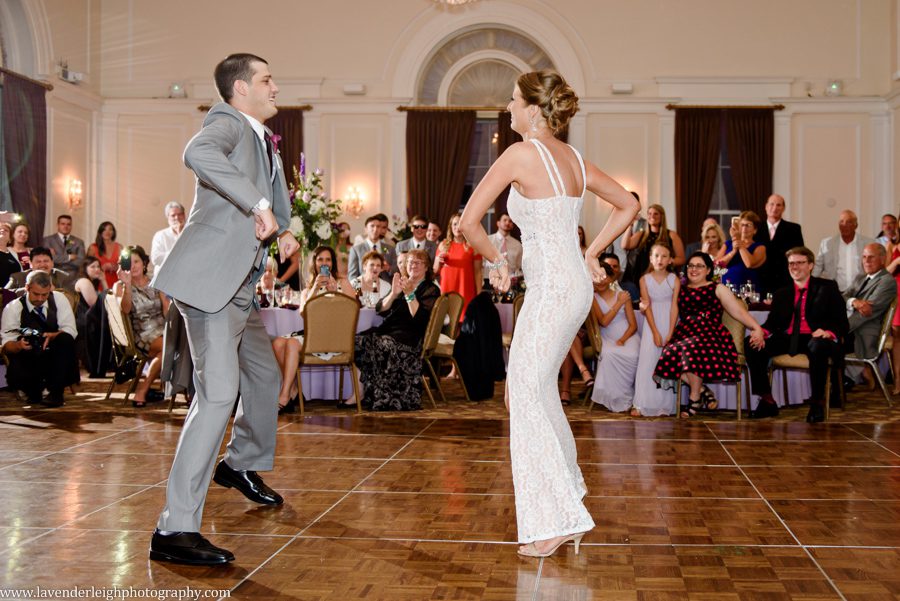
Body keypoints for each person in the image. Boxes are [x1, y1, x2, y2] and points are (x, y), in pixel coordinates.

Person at [458, 70, 639, 557]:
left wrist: (496, 262)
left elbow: (467, 222)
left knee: (524, 394)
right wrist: (592, 252)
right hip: (570, 287)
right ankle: (568, 498)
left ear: (534, 109)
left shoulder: (520, 154)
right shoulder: (574, 158)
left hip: (552, 290)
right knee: (533, 393)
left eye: (514, 101)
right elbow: (629, 204)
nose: (509, 108)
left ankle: (557, 518)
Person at [148, 53, 300, 566]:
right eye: (267, 78)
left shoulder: (262, 138)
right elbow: (198, 154)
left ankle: (238, 463)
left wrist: (283, 230)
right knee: (217, 397)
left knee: (261, 377)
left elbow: (275, 214)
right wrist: (258, 206)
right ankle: (174, 528)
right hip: (209, 286)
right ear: (240, 89)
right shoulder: (225, 122)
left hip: (237, 288)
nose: (275, 86)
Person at [654, 251, 765, 417]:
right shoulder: (681, 289)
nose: (694, 269)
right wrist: (669, 334)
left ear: (708, 270)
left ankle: (694, 399)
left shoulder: (717, 288)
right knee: (670, 353)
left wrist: (757, 328)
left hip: (711, 334)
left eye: (700, 266)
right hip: (685, 332)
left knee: (692, 349)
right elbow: (673, 311)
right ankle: (703, 390)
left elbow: (738, 312)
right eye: (691, 265)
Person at [745, 247, 848, 422]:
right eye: (791, 263)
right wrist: (760, 333)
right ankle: (767, 400)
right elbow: (773, 323)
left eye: (799, 263)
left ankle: (817, 403)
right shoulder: (782, 293)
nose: (794, 267)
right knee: (751, 344)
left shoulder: (828, 288)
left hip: (818, 338)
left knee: (817, 346)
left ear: (810, 265)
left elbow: (842, 323)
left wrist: (828, 332)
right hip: (789, 338)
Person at [270, 245, 355, 413]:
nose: (324, 263)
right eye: (320, 259)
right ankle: (293, 389)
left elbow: (353, 308)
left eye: (328, 259)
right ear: (315, 263)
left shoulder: (343, 282)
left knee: (292, 343)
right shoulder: (309, 288)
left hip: (336, 336)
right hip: (313, 333)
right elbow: (303, 313)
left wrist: (335, 293)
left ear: (332, 263)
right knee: (278, 343)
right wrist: (315, 289)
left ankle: (284, 395)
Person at [354, 248, 440, 411]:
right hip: (389, 330)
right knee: (357, 341)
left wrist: (409, 295)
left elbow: (420, 319)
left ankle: (384, 397)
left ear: (426, 267)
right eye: (410, 262)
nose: (413, 265)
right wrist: (393, 294)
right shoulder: (402, 284)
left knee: (381, 344)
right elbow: (381, 309)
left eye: (417, 262)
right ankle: (366, 392)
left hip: (410, 335)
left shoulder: (431, 289)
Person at [0, 270, 78, 407]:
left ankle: (56, 393)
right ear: (27, 288)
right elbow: (6, 345)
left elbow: (71, 331)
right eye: (36, 294)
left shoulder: (59, 299)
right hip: (27, 358)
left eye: (45, 295)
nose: (41, 299)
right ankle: (33, 389)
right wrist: (19, 345)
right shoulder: (13, 308)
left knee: (65, 339)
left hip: (54, 355)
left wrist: (53, 335)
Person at [113, 246, 168, 407]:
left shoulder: (156, 280)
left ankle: (191, 394)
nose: (133, 265)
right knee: (167, 348)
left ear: (144, 263)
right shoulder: (120, 285)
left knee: (185, 342)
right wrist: (127, 285)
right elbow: (125, 309)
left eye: (136, 261)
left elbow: (166, 309)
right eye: (129, 262)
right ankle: (142, 390)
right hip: (141, 333)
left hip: (163, 328)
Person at [632, 244, 679, 417]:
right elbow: (647, 306)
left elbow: (675, 306)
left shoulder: (674, 279)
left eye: (664, 256)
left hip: (669, 322)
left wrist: (671, 331)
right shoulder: (644, 280)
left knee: (666, 362)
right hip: (652, 324)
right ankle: (642, 403)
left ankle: (665, 405)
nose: (660, 259)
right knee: (648, 361)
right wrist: (655, 332)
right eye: (656, 256)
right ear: (651, 259)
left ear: (670, 260)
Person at [842, 243, 896, 385]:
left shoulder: (887, 281)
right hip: (851, 328)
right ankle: (837, 386)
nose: (866, 261)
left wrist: (839, 328)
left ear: (883, 259)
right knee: (819, 342)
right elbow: (841, 297)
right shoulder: (861, 277)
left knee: (825, 345)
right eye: (864, 257)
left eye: (871, 257)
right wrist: (853, 301)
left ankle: (837, 386)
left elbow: (866, 313)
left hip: (864, 333)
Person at [589, 262, 639, 412]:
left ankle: (627, 395)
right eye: (596, 277)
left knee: (633, 354)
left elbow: (633, 325)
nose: (600, 281)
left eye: (604, 277)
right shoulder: (593, 298)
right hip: (607, 336)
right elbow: (603, 321)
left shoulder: (622, 294)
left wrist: (623, 339)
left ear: (611, 278)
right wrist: (619, 303)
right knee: (609, 354)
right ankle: (614, 397)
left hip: (628, 335)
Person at [621, 203, 686, 285]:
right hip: (641, 276)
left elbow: (681, 259)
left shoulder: (671, 235)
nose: (652, 216)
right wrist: (630, 224)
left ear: (662, 216)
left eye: (656, 213)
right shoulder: (641, 234)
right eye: (649, 213)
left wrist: (666, 261)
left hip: (662, 276)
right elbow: (625, 245)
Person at [813, 209, 875, 293]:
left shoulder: (869, 243)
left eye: (848, 222)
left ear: (855, 225)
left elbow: (875, 268)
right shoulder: (827, 243)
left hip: (862, 291)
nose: (844, 225)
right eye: (841, 222)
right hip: (834, 291)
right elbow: (817, 268)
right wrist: (811, 287)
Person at [434, 212, 482, 320]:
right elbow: (435, 271)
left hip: (466, 288)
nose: (457, 227)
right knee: (447, 321)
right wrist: (438, 261)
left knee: (465, 320)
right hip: (447, 288)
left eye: (460, 224)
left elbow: (478, 272)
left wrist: (479, 295)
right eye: (454, 224)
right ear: (450, 227)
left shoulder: (473, 246)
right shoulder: (443, 245)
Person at [754, 194, 804, 294]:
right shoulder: (755, 229)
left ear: (783, 208)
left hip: (784, 281)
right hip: (759, 280)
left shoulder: (794, 229)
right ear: (766, 206)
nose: (774, 208)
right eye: (771, 204)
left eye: (778, 205)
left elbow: (799, 254)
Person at [718, 211, 766, 291]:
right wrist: (732, 252)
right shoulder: (728, 244)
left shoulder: (760, 247)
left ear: (755, 230)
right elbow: (717, 265)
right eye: (742, 225)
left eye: (748, 225)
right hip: (726, 288)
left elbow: (749, 263)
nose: (744, 228)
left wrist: (738, 242)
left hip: (748, 290)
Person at [347, 214, 396, 282]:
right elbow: (352, 275)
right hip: (364, 287)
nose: (375, 229)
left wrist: (388, 268)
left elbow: (397, 271)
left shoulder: (390, 248)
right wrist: (358, 289)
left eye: (378, 226)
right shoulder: (356, 250)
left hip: (386, 288)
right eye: (372, 226)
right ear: (366, 229)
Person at [42, 214, 85, 290]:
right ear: (57, 225)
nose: (66, 226)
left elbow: (80, 261)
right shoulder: (48, 240)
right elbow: (47, 259)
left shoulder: (79, 242)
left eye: (68, 224)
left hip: (73, 279)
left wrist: (57, 258)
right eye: (63, 224)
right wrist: (69, 257)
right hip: (53, 279)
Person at [482, 213, 523, 283]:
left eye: (510, 221)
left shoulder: (518, 245)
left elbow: (519, 267)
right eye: (505, 220)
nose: (507, 223)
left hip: (511, 282)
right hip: (490, 280)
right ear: (498, 223)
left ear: (512, 225)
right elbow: (482, 262)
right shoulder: (488, 241)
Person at [150, 201, 186, 272]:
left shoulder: (190, 233)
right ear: (168, 217)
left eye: (180, 214)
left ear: (184, 216)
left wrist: (180, 234)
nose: (177, 218)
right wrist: (176, 254)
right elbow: (156, 258)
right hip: (165, 277)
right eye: (173, 215)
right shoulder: (160, 235)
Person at [87, 221, 123, 289]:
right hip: (98, 283)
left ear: (113, 232)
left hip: (116, 283)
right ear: (100, 232)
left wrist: (115, 266)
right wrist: (101, 267)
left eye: (110, 229)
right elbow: (87, 267)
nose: (107, 232)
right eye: (104, 229)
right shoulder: (93, 247)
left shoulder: (119, 247)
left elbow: (125, 267)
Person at [887, 239, 900, 394]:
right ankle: (898, 381)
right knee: (897, 339)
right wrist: (896, 261)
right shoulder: (892, 245)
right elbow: (884, 273)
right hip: (898, 296)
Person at [0, 223, 22, 291]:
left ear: (10, 238)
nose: (2, 230)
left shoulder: (13, 253)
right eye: (0, 229)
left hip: (12, 293)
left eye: (6, 230)